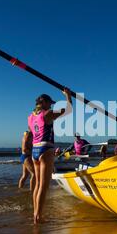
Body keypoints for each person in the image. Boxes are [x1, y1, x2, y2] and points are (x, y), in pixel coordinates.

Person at [28, 89, 72, 224]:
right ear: (44, 103)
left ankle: (35, 213)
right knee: (44, 186)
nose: (51, 106)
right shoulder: (47, 114)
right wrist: (68, 96)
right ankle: (39, 217)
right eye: (50, 103)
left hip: (35, 150)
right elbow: (68, 110)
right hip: (46, 149)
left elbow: (32, 133)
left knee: (37, 185)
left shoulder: (30, 117)